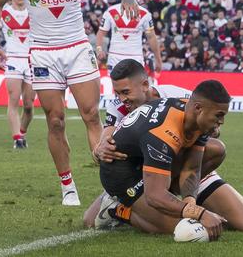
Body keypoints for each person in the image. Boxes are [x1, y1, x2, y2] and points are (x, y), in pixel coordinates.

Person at [0, 0, 138, 206]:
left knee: (92, 116)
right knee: (55, 121)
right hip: (42, 53)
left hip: (77, 48)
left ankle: (110, 186)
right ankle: (68, 186)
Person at [84, 59, 243, 232]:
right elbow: (108, 136)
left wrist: (191, 205)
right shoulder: (126, 111)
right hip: (137, 171)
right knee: (183, 228)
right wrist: (100, 148)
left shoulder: (179, 97)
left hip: (175, 159)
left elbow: (194, 159)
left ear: (145, 85)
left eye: (125, 92)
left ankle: (169, 198)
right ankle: (119, 208)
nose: (121, 99)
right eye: (117, 93)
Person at [97, 80, 233, 240]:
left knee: (217, 149)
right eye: (219, 115)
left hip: (145, 160)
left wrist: (191, 207)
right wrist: (201, 213)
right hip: (120, 173)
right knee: (187, 231)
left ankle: (160, 202)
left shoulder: (196, 117)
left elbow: (191, 169)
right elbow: (155, 196)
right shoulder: (163, 132)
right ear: (198, 108)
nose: (221, 121)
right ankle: (117, 209)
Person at [0, 0, 35, 149]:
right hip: (13, 59)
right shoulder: (3, 12)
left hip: (31, 59)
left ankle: (22, 131)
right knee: (13, 99)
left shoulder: (33, 10)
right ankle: (17, 139)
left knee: (28, 105)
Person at [96, 2, 162, 72]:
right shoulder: (110, 11)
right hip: (115, 58)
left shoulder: (145, 13)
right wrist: (99, 49)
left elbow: (151, 37)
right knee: (116, 83)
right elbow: (101, 32)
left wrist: (158, 59)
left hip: (136, 58)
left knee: (136, 83)